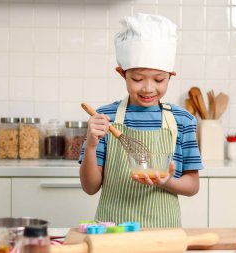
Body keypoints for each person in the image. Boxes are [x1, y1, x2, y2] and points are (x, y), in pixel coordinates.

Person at [79, 13, 203, 228]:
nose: (148, 88)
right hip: (113, 230)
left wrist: (167, 182)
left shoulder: (182, 120)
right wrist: (91, 145)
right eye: (137, 79)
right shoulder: (105, 117)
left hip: (163, 231)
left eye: (159, 79)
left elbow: (192, 185)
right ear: (122, 73)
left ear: (171, 76)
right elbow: (90, 187)